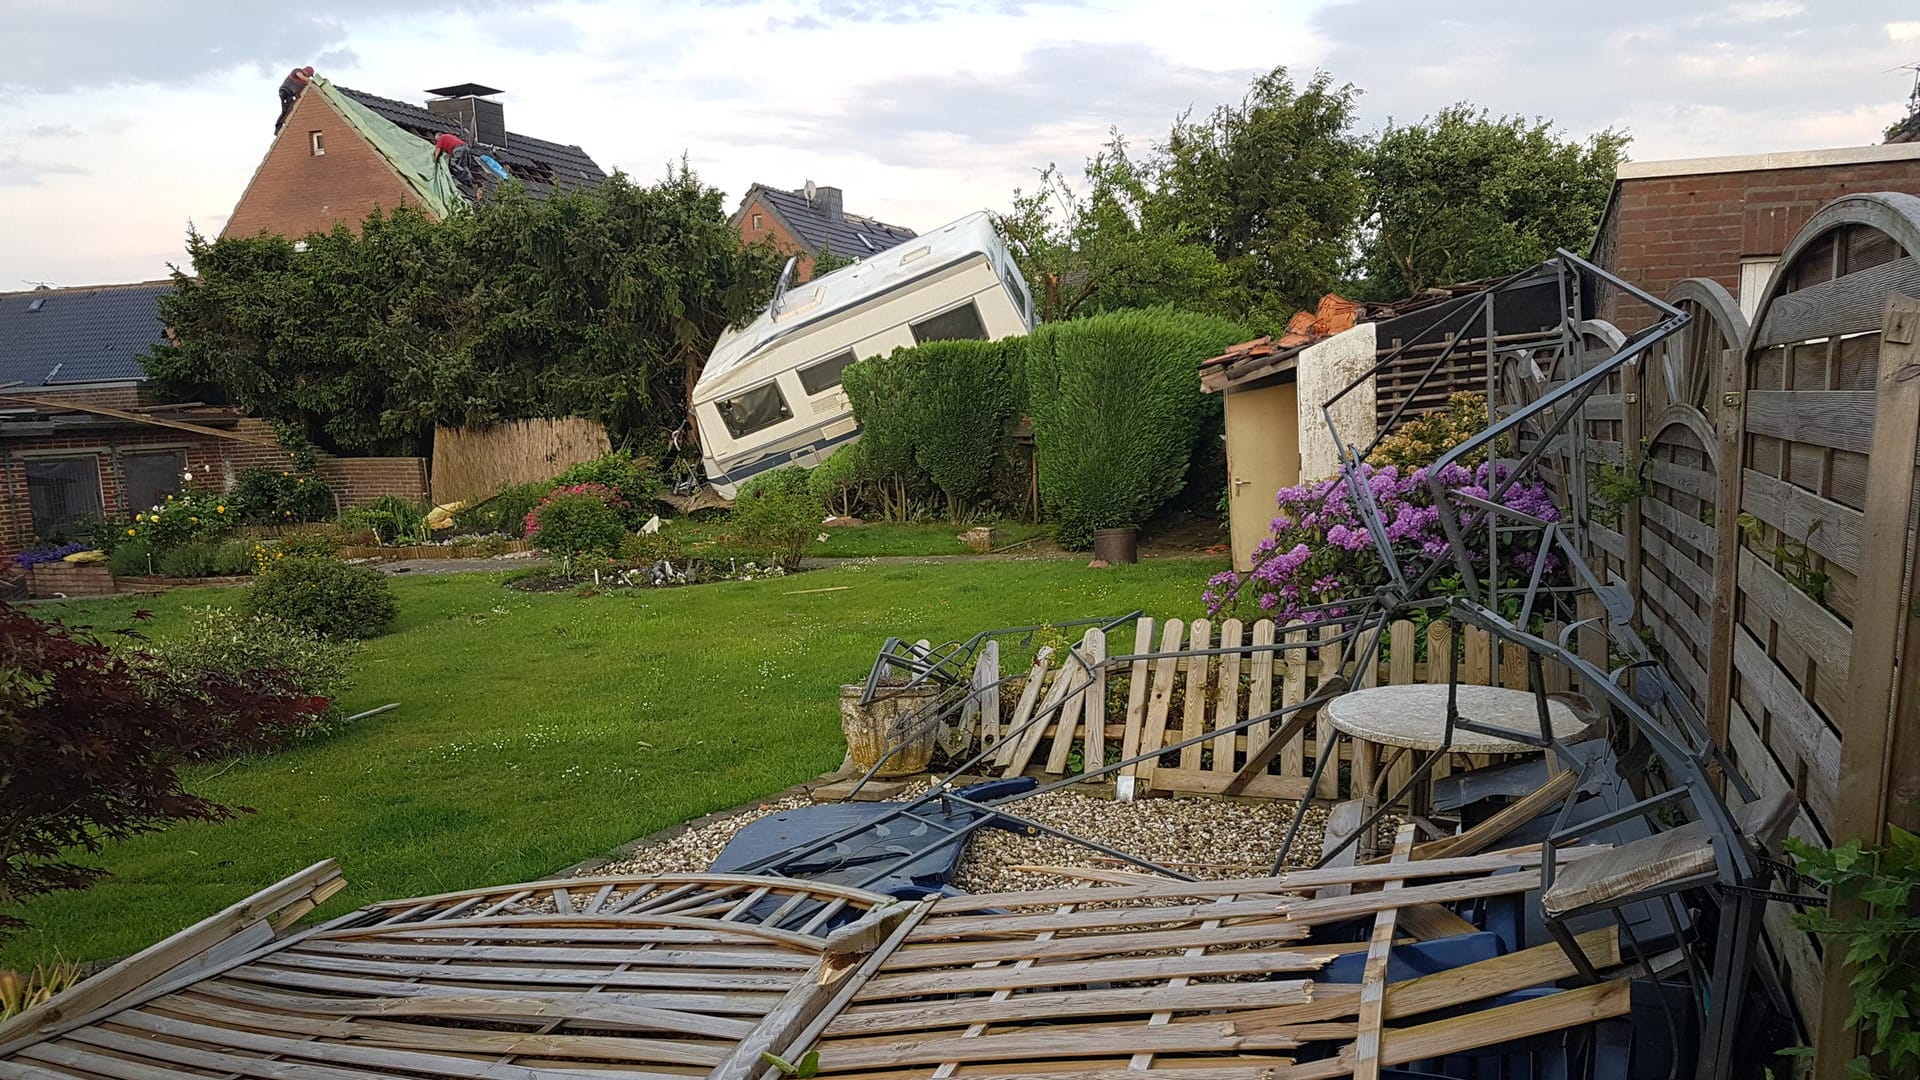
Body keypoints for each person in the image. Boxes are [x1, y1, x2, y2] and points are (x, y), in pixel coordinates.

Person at [275, 66, 314, 132]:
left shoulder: (303, 82)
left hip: (290, 95)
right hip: (285, 92)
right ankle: (278, 127)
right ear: (306, 72)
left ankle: (285, 122)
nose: (309, 77)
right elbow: (301, 76)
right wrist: (310, 80)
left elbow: (304, 87)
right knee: (285, 110)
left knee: (291, 108)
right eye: (309, 75)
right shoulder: (297, 71)